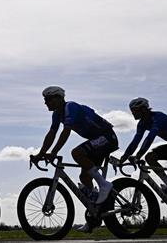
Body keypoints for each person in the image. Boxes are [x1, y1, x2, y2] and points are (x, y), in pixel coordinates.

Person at [31, 86, 118, 233]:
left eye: (48, 99)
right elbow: (51, 134)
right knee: (84, 178)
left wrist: (54, 152)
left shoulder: (70, 107)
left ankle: (104, 185)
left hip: (107, 137)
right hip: (97, 140)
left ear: (59, 98)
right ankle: (94, 215)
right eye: (45, 100)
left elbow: (66, 131)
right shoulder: (56, 115)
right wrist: (41, 154)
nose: (45, 103)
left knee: (77, 153)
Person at [119, 97, 167, 231]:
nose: (133, 113)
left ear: (144, 109)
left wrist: (138, 156)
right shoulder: (142, 124)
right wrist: (123, 158)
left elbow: (150, 138)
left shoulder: (158, 117)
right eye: (132, 111)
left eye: (135, 110)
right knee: (150, 157)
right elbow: (135, 141)